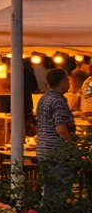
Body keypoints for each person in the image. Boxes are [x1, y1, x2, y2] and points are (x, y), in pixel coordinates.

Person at [35, 67, 77, 196]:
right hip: (57, 151)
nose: (69, 83)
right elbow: (60, 127)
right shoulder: (58, 101)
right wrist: (72, 146)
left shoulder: (43, 99)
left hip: (43, 150)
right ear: (61, 81)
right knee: (60, 189)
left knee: (49, 186)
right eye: (67, 80)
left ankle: (48, 208)